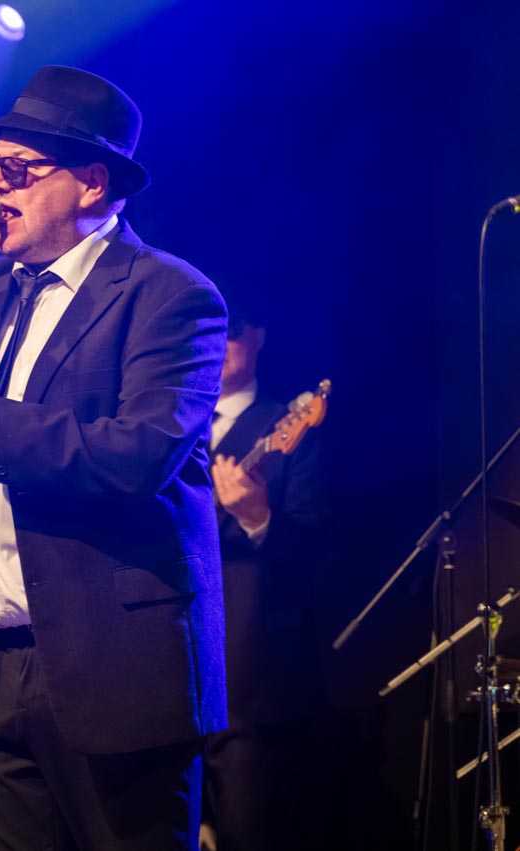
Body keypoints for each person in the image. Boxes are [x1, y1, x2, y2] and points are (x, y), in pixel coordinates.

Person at [0, 66, 229, 850]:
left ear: (92, 183)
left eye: (19, 170)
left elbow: (141, 455)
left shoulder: (170, 296)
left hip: (110, 664)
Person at [203, 303, 328, 851]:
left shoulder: (284, 426)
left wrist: (258, 517)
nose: (219, 344)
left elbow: (313, 549)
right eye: (209, 332)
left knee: (243, 829)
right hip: (161, 669)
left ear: (258, 336)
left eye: (232, 331)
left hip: (246, 676)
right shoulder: (172, 425)